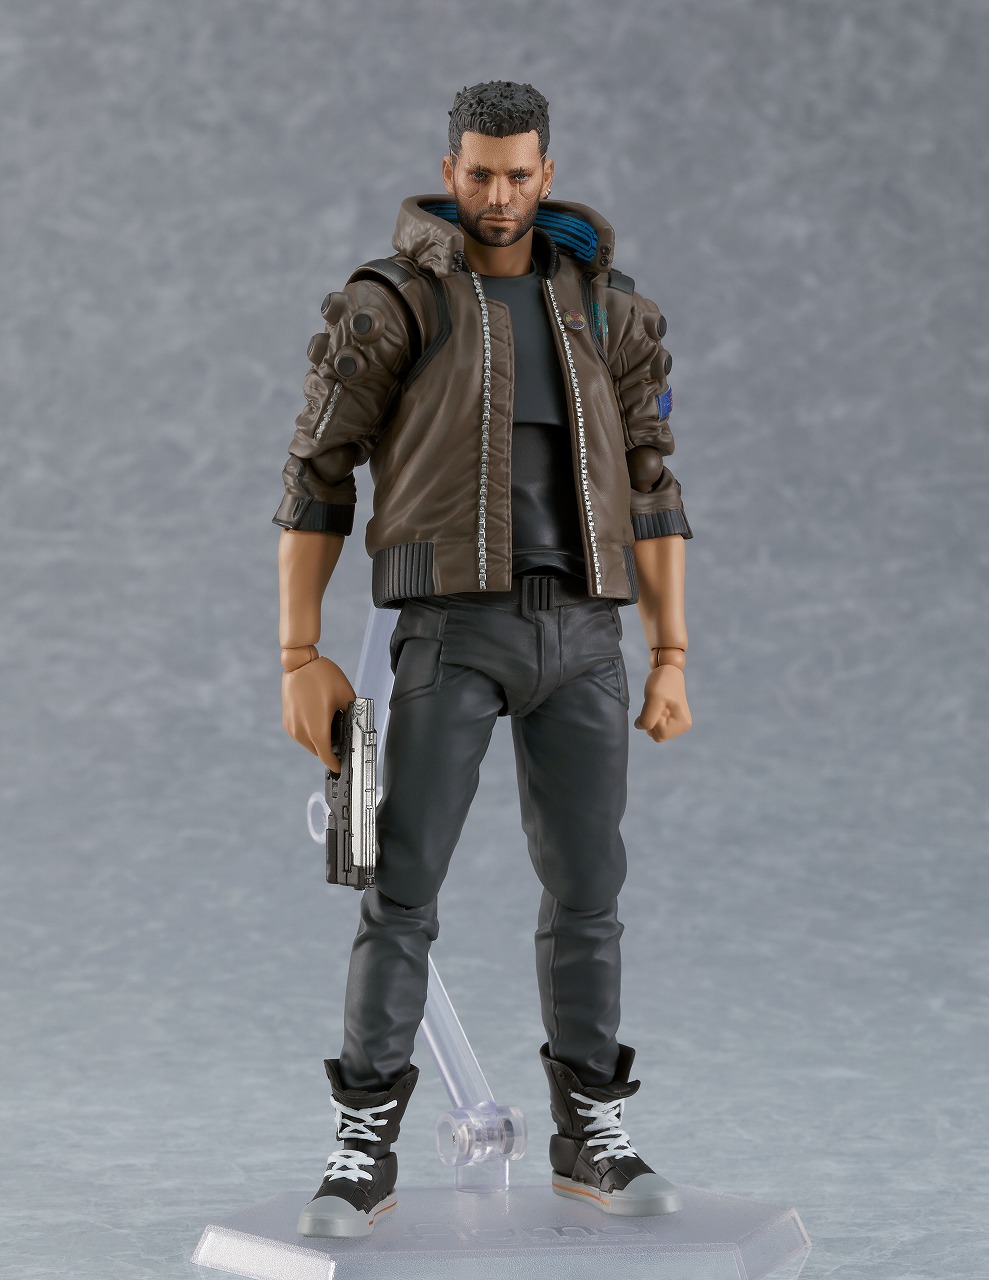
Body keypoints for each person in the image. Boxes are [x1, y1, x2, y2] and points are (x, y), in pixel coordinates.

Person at [275, 80, 693, 1239]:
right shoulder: (391, 305)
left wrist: (670, 650)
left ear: (544, 172)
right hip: (450, 629)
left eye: (516, 173)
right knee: (399, 887)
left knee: (589, 889)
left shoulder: (608, 309)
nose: (497, 194)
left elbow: (651, 485)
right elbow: (315, 474)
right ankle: (362, 1140)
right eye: (477, 172)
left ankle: (588, 1128)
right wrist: (298, 650)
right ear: (447, 169)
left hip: (584, 636)